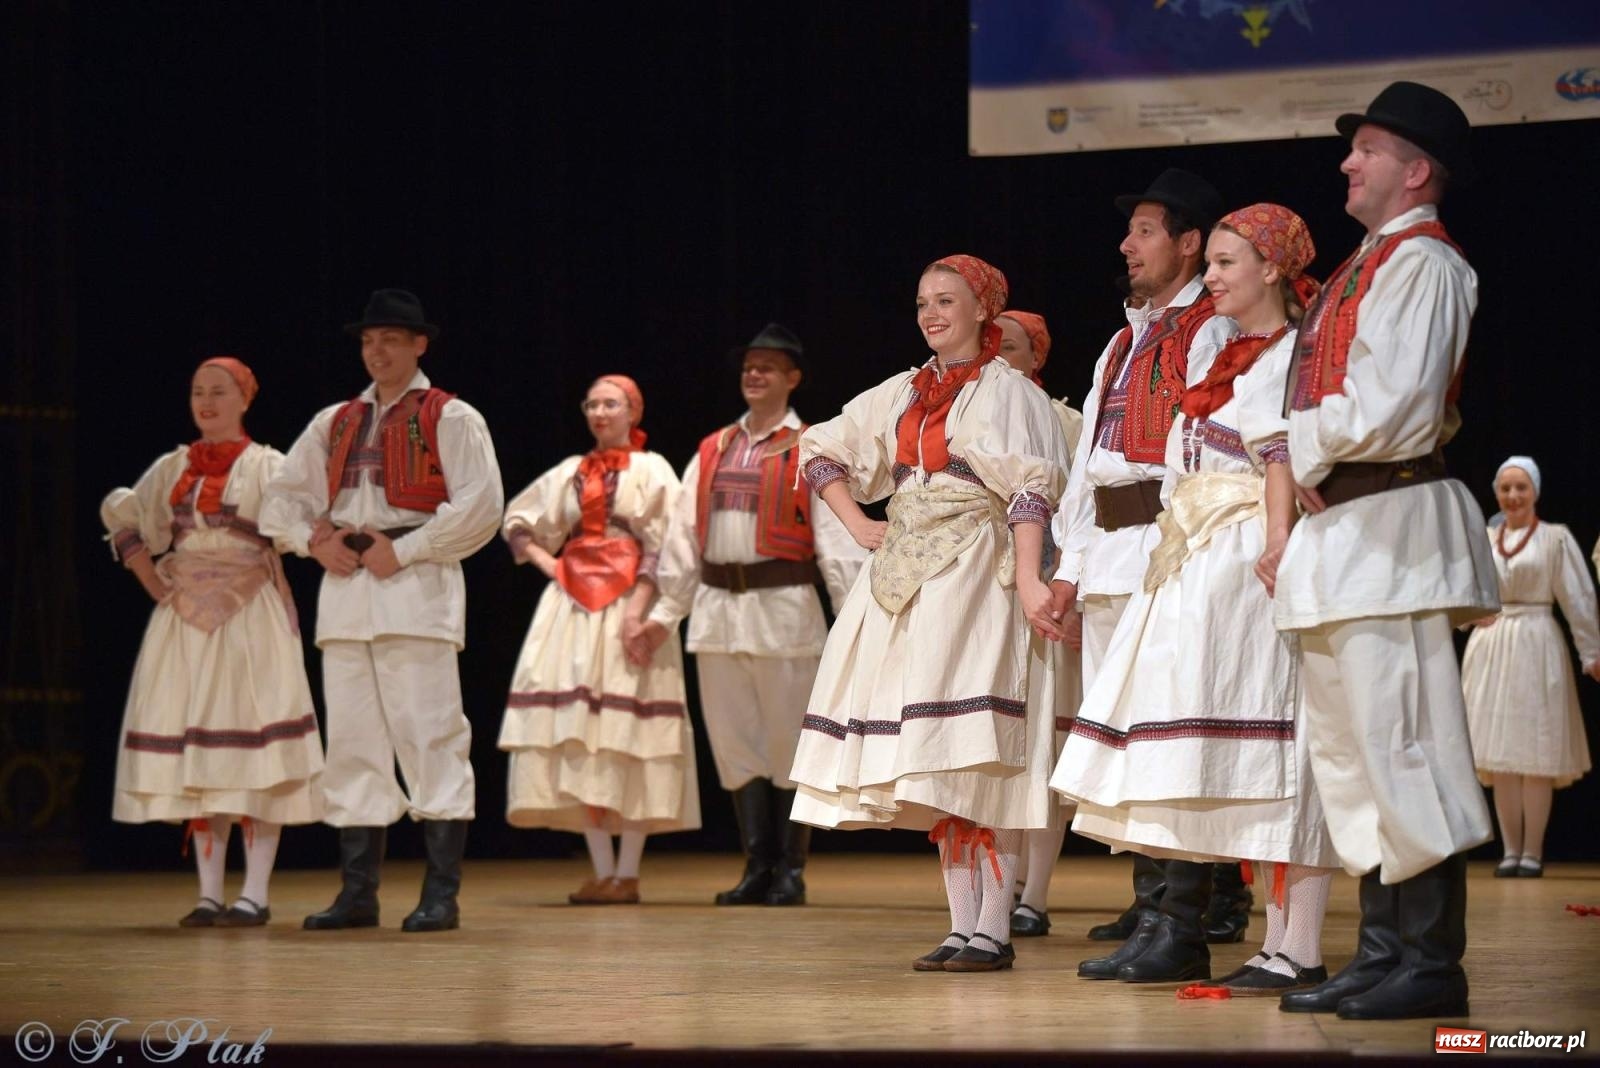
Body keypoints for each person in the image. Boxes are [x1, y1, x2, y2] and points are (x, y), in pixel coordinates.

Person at [1053, 203, 1341, 993]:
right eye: (1208, 263)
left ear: (1272, 269)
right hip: (1195, 555)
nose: (1209, 277)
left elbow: (1282, 454)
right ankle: (1201, 928)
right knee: (1197, 744)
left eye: (1224, 263)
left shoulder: (1290, 352)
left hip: (1249, 551)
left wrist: (1277, 538)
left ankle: (1291, 942)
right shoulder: (1220, 352)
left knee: (1278, 743)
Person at [1273, 82, 1499, 1020]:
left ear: (1415, 170)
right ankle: (1378, 946)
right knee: (1351, 751)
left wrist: (1299, 439)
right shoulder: (1362, 270)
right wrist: (1292, 438)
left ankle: (1430, 958)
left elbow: (1397, 404)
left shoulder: (1424, 266)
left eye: (1364, 150)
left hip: (1392, 527)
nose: (1346, 163)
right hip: (1345, 533)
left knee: (1405, 740)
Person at [792, 254, 1070, 972]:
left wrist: (1034, 579)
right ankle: (960, 924)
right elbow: (821, 446)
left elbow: (1030, 490)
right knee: (933, 757)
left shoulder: (1010, 394)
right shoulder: (901, 391)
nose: (931, 313)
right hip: (906, 576)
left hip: (979, 572)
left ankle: (995, 928)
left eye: (947, 300)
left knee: (980, 747)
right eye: (922, 302)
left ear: (984, 309)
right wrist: (856, 523)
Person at [1047, 169, 1246, 979]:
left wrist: (1183, 550)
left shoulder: (1210, 326)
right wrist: (1069, 565)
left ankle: (1183, 919)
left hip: (1168, 545)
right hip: (1112, 553)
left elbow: (1201, 452)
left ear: (1189, 242)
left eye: (1145, 231)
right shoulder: (1124, 339)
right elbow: (1088, 462)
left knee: (1166, 731)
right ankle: (1152, 907)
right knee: (1125, 736)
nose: (1127, 246)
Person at [261, 288, 504, 933]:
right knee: (353, 744)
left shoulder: (450, 417)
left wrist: (412, 548)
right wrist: (314, 542)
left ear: (419, 344)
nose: (378, 351)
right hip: (346, 596)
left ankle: (440, 892)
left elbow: (482, 508)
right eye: (370, 341)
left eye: (392, 339)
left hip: (415, 591)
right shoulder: (335, 421)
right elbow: (281, 499)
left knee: (430, 736)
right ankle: (358, 890)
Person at [633, 324, 863, 907]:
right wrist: (664, 614)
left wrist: (854, 624)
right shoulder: (712, 448)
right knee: (735, 744)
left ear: (793, 378)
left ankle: (790, 868)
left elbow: (835, 541)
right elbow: (684, 539)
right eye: (748, 367)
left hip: (783, 610)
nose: (754, 374)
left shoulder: (812, 445)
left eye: (768, 366)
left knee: (789, 739)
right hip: (717, 611)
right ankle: (755, 864)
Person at [102, 356, 323, 927]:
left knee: (255, 751)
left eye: (220, 392)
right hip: (187, 619)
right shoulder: (174, 466)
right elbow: (126, 517)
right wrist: (153, 579)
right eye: (198, 391)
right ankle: (207, 893)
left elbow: (299, 523)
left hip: (249, 614)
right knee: (199, 751)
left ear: (245, 398)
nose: (207, 401)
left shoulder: (267, 466)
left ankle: (254, 892)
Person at [498, 374, 699, 904]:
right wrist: (552, 564)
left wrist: (640, 614)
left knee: (628, 731)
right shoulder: (571, 471)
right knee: (580, 732)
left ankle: (628, 872)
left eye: (610, 403)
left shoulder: (652, 469)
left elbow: (670, 543)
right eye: (592, 404)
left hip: (630, 601)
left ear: (633, 410)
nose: (599, 412)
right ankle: (601, 868)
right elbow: (517, 521)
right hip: (573, 608)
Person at [1461, 456, 1598, 878]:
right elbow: (1462, 590)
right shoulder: (1485, 538)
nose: (1513, 496)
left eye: (1521, 487)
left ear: (1535, 491)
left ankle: (1533, 851)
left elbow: (1577, 597)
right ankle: (1510, 850)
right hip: (1492, 646)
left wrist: (1591, 651)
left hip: (1537, 644)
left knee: (1534, 753)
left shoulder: (1553, 540)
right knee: (1500, 756)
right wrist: (1470, 615)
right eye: (1505, 488)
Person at [995, 309, 1083, 939]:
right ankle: (998, 887)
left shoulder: (1064, 421)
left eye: (1012, 344)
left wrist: (1068, 591)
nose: (998, 351)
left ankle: (1036, 893)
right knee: (999, 744)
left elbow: (1080, 515)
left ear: (1037, 355)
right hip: (984, 596)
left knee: (1044, 748)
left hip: (1045, 596)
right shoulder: (969, 413)